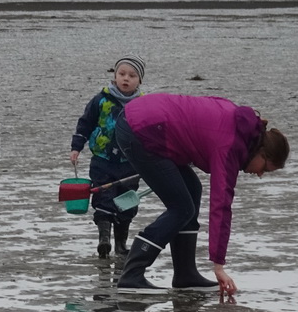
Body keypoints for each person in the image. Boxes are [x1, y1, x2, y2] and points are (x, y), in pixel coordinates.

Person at [114, 92, 289, 294]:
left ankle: (185, 275)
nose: (259, 174)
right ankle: (131, 275)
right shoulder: (229, 146)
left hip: (147, 122)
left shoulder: (241, 129)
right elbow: (221, 206)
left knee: (192, 190)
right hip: (140, 128)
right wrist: (218, 266)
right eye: (265, 169)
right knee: (181, 208)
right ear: (261, 152)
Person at [70, 54, 146, 258]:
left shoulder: (143, 104)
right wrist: (76, 147)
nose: (126, 79)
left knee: (127, 201)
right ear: (115, 76)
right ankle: (104, 239)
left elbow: (151, 133)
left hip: (130, 162)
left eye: (132, 75)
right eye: (121, 74)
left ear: (139, 80)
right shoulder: (100, 100)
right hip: (102, 160)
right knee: (103, 198)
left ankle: (121, 244)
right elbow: (85, 123)